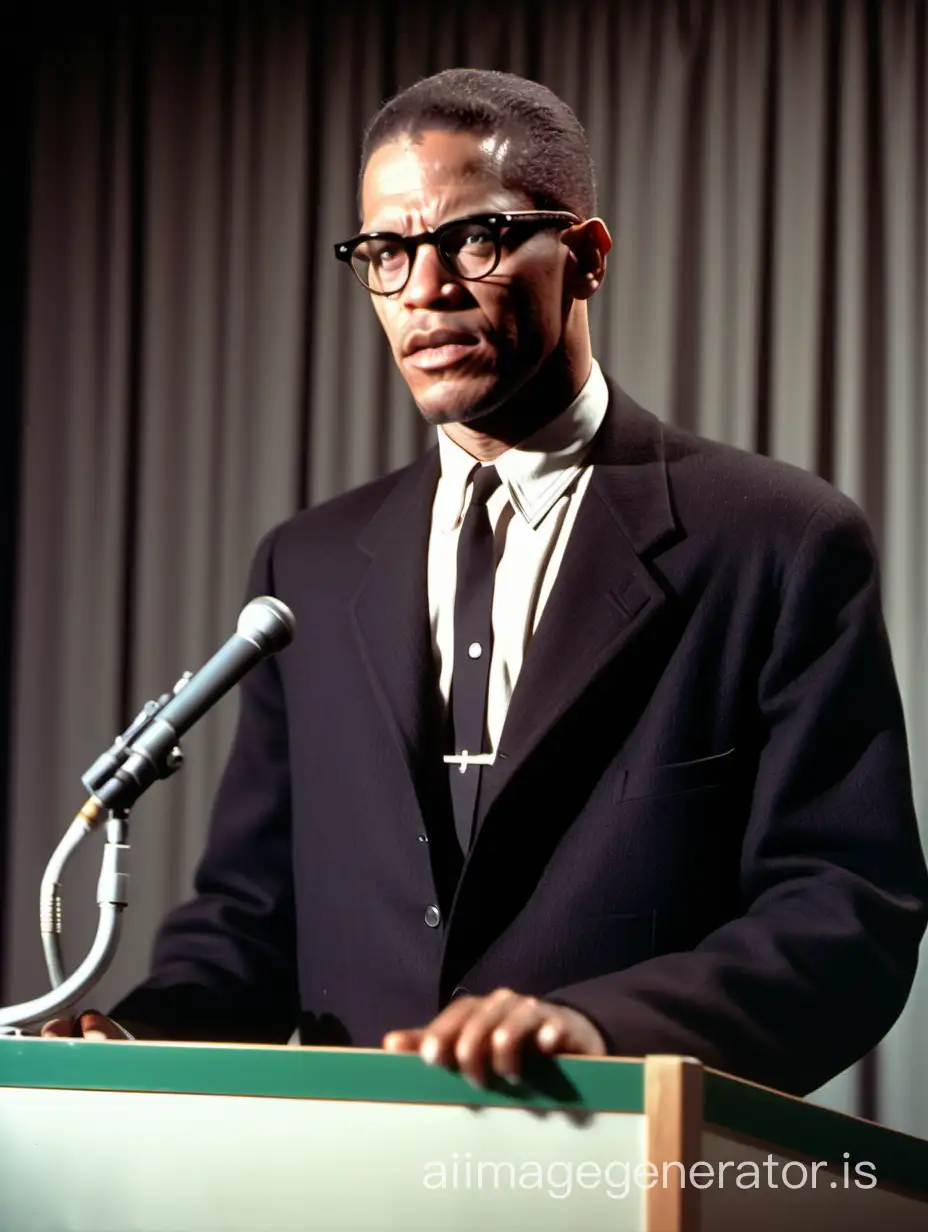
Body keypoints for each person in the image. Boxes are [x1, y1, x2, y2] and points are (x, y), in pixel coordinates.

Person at [44, 68, 927, 1097]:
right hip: (347, 1181)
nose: (425, 289)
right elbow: (251, 921)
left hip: (607, 1162)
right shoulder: (308, 568)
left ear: (586, 257)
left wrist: (594, 1030)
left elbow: (842, 917)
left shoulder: (775, 539)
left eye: (477, 239)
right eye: (386, 251)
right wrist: (136, 1036)